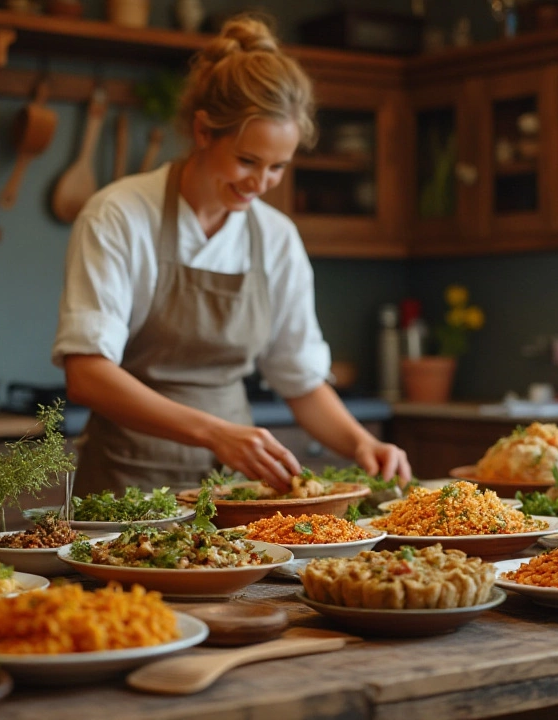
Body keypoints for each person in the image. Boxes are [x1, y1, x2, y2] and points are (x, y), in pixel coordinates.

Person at [53, 15, 411, 497]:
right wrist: (215, 432)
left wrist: (363, 443)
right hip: (128, 485)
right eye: (247, 160)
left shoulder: (276, 238)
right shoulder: (118, 215)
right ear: (203, 131)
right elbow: (88, 376)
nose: (260, 183)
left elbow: (299, 379)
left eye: (278, 167)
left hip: (235, 487)